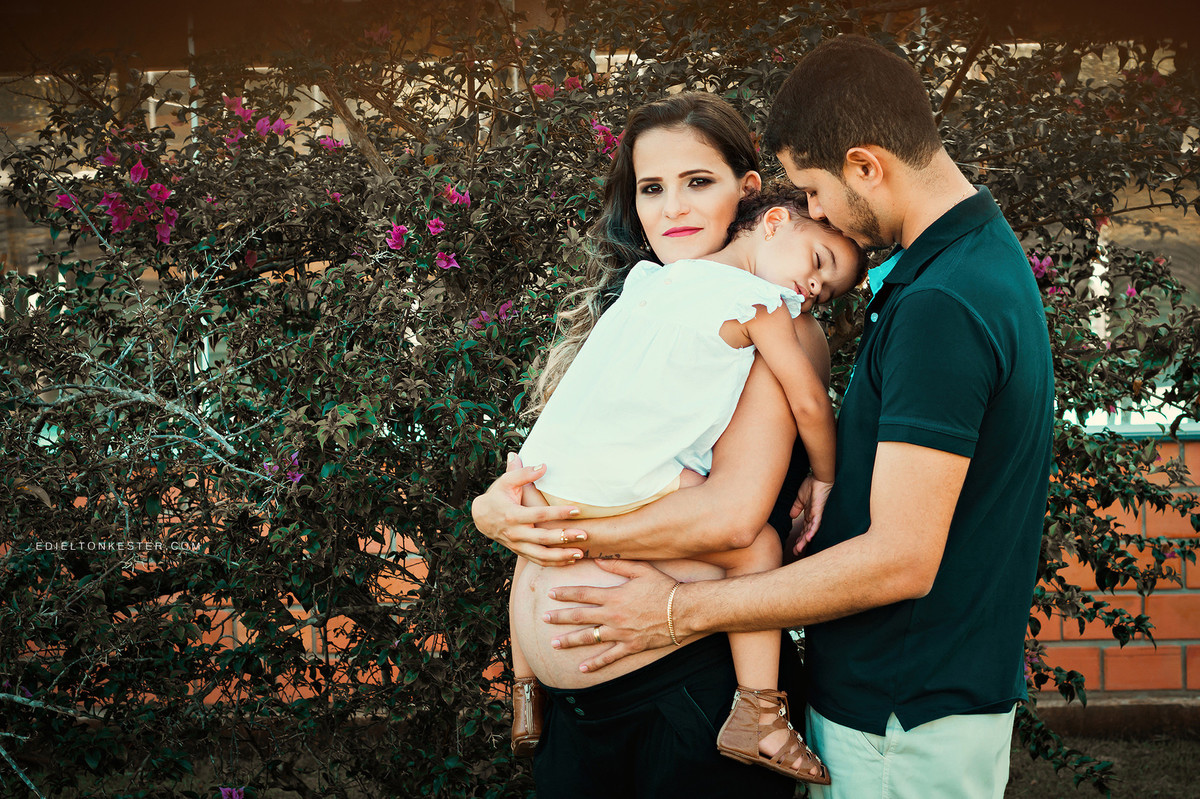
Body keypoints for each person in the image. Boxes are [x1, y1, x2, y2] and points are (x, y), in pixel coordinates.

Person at [494, 35, 1055, 799]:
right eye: (652, 188)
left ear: (865, 167)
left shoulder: (930, 303)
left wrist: (647, 591)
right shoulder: (946, 275)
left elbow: (891, 555)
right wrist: (504, 512)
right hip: (876, 700)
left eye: (813, 189)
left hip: (894, 709)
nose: (811, 209)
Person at [475, 91, 849, 799]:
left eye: (697, 182)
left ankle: (761, 713)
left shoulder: (775, 319)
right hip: (580, 720)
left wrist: (550, 531)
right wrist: (496, 508)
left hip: (683, 701)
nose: (672, 208)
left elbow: (732, 520)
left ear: (747, 193)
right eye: (651, 188)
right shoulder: (651, 299)